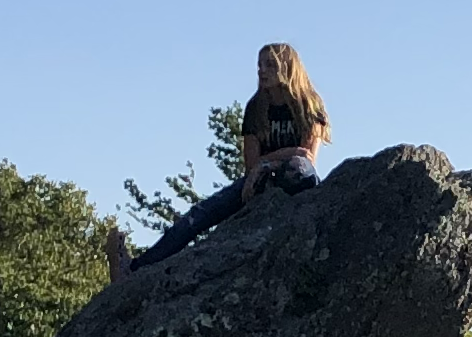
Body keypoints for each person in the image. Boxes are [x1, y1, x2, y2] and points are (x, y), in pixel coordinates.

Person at [125, 43, 332, 271]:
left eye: (270, 64)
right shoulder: (256, 107)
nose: (261, 71)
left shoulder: (309, 104)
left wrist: (272, 160)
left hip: (295, 177)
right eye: (259, 65)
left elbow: (306, 157)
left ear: (288, 67)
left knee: (296, 167)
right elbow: (253, 163)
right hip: (262, 176)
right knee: (200, 214)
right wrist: (275, 159)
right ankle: (136, 267)